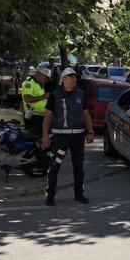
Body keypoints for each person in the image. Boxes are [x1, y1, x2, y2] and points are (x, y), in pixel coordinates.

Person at [42, 67, 95, 206]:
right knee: (54, 166)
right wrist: (45, 136)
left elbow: (86, 113)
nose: (74, 79)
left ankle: (79, 194)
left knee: (79, 167)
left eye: (75, 77)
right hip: (60, 138)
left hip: (78, 137)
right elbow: (48, 116)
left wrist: (90, 132)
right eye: (70, 77)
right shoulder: (55, 95)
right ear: (63, 79)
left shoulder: (81, 94)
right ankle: (50, 195)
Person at [21, 67, 52, 133]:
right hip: (33, 117)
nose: (46, 81)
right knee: (33, 136)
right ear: (40, 74)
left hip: (40, 116)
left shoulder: (39, 84)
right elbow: (27, 98)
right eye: (46, 78)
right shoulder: (28, 83)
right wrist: (43, 96)